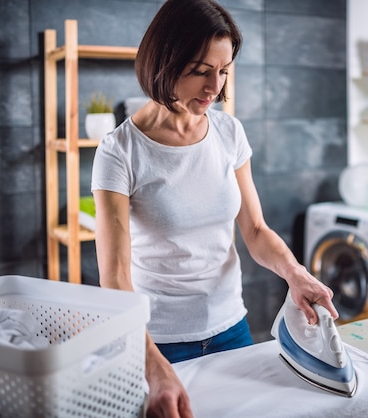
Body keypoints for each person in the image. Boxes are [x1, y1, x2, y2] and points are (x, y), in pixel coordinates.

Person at [91, 0, 338, 416]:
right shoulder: (119, 152)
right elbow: (114, 278)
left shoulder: (228, 132)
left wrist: (295, 273)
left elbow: (255, 231)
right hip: (158, 342)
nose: (214, 88)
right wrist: (154, 368)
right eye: (200, 71)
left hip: (232, 329)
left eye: (223, 71)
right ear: (163, 63)